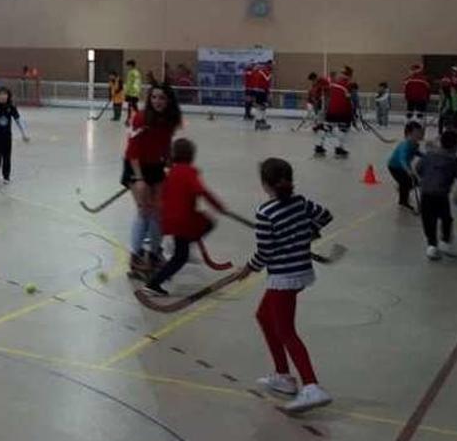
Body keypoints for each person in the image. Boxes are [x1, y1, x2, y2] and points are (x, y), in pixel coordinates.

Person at [231, 158, 334, 413]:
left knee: (286, 330)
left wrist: (248, 269)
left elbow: (265, 252)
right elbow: (325, 215)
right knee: (264, 317)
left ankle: (311, 386)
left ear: (265, 184)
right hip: (299, 272)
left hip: (283, 278)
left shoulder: (265, 214)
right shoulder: (300, 203)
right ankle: (283, 376)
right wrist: (309, 231)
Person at [140, 139, 229, 296]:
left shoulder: (171, 173)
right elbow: (201, 191)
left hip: (168, 220)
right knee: (208, 222)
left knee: (180, 257)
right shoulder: (190, 172)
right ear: (191, 156)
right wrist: (219, 206)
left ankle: (153, 283)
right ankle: (154, 281)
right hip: (184, 220)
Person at [124, 84, 182, 277]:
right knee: (144, 211)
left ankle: (154, 254)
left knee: (158, 211)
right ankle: (136, 256)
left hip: (156, 167)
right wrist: (139, 178)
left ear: (169, 101)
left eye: (162, 98)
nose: (157, 101)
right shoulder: (141, 118)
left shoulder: (170, 120)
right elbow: (132, 150)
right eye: (154, 97)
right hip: (136, 166)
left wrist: (170, 163)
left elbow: (165, 143)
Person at [416, 130, 457, 260]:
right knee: (446, 218)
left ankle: (431, 246)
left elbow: (419, 168)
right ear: (455, 146)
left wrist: (425, 179)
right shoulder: (453, 160)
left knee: (429, 219)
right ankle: (445, 242)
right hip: (441, 194)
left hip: (426, 192)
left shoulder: (429, 155)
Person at [0, 87, 29, 185]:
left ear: (8, 96)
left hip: (7, 136)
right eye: (1, 94)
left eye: (5, 95)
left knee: (7, 156)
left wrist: (24, 134)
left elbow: (18, 120)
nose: (3, 97)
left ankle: (6, 176)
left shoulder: (11, 106)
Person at [387, 122, 425, 212]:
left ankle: (402, 189)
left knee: (413, 182)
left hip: (404, 167)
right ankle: (403, 202)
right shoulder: (405, 145)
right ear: (409, 134)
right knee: (406, 182)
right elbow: (402, 159)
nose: (420, 135)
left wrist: (427, 156)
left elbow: (416, 152)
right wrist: (408, 170)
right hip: (395, 167)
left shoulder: (414, 144)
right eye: (417, 133)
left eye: (420, 132)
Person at [316, 71, 354, 158]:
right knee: (342, 130)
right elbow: (348, 102)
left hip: (331, 111)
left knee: (326, 128)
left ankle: (319, 147)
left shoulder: (333, 84)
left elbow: (323, 85)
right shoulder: (347, 85)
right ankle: (339, 149)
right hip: (342, 112)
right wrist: (351, 114)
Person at [247, 61, 273, 131]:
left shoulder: (260, 72)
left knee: (263, 107)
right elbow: (267, 79)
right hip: (261, 91)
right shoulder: (263, 72)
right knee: (260, 107)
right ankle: (258, 122)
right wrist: (270, 74)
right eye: (271, 65)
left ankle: (262, 121)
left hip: (262, 91)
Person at [123, 60, 143, 125]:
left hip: (132, 92)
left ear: (131, 65)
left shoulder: (132, 73)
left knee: (132, 106)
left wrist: (128, 92)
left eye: (128, 65)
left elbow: (132, 83)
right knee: (132, 106)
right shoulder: (135, 72)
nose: (127, 67)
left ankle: (136, 118)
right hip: (133, 92)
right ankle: (130, 119)